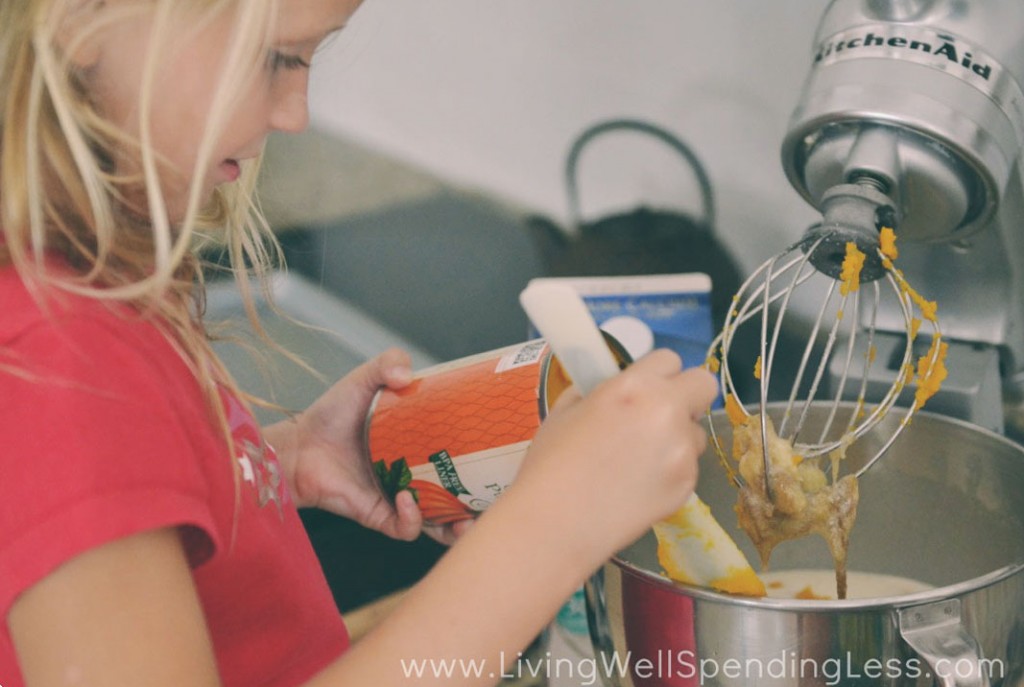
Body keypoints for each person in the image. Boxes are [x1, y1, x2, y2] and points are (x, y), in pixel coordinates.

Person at [0, 1, 718, 685]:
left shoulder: (84, 284)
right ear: (83, 14)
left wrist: (273, 462)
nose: (294, 113)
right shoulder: (61, 358)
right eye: (277, 57)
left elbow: (108, 493)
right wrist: (558, 523)